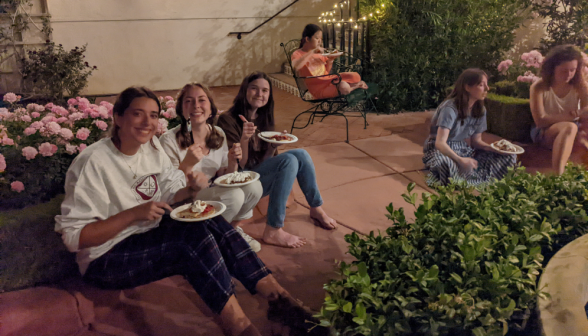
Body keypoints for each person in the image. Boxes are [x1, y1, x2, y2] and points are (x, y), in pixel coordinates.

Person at [54, 87, 326, 336]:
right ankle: (241, 328)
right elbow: (74, 238)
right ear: (118, 117)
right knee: (190, 240)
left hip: (146, 234)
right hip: (106, 258)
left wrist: (191, 187)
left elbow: (172, 191)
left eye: (152, 115)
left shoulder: (151, 148)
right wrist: (133, 213)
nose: (147, 123)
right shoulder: (92, 162)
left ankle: (279, 299)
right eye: (138, 114)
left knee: (208, 218)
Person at [217, 72, 337, 249]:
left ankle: (315, 207)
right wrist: (244, 138)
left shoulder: (263, 117)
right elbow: (240, 165)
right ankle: (273, 229)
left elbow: (265, 162)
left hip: (256, 174)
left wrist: (273, 145)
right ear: (244, 91)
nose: (260, 94)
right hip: (241, 181)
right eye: (254, 89)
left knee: (301, 154)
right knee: (288, 160)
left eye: (265, 90)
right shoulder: (227, 119)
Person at [159, 83, 263, 252]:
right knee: (234, 195)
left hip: (210, 190)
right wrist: (187, 164)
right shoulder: (169, 141)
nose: (196, 106)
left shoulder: (218, 133)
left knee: (254, 185)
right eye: (189, 101)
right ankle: (209, 242)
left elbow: (223, 175)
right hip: (185, 199)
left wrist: (231, 161)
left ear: (210, 107)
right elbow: (169, 190)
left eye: (201, 100)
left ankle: (231, 231)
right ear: (181, 109)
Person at [423, 68, 517, 187]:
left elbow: (476, 141)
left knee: (508, 157)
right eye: (482, 85)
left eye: (486, 85)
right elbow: (440, 143)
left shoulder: (480, 110)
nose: (487, 89)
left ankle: (469, 178)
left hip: (463, 149)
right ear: (467, 87)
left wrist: (494, 149)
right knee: (446, 164)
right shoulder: (450, 109)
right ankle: (466, 177)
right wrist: (460, 160)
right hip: (440, 150)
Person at [529, 44, 588, 175]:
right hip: (544, 132)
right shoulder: (538, 87)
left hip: (572, 128)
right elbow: (540, 121)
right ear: (552, 69)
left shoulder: (580, 86)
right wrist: (574, 116)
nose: (569, 74)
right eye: (564, 71)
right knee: (570, 127)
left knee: (573, 129)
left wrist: (580, 115)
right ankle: (559, 176)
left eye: (572, 70)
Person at [290, 23, 367, 99]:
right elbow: (296, 67)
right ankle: (356, 86)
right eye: (317, 38)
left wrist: (330, 60)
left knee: (354, 76)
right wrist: (312, 52)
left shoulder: (320, 53)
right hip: (317, 88)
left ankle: (352, 85)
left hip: (328, 81)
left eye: (321, 39)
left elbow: (326, 72)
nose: (319, 41)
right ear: (307, 39)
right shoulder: (297, 54)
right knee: (344, 87)